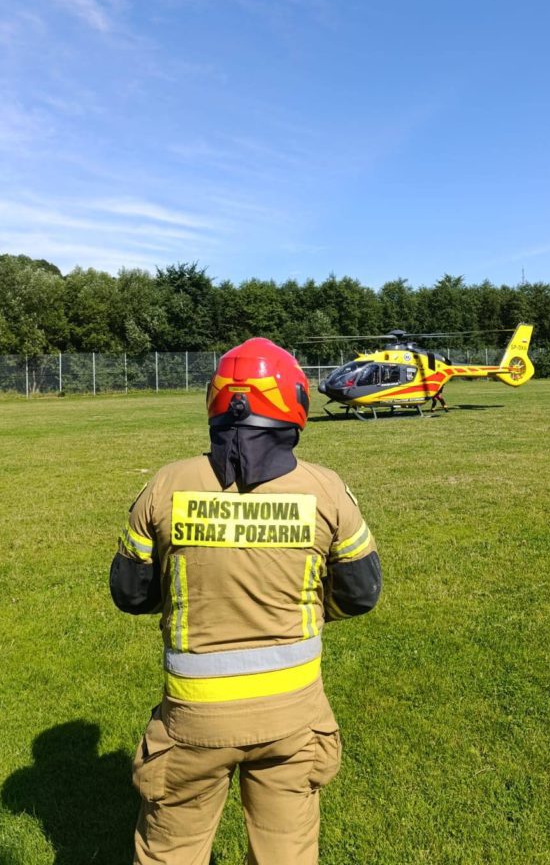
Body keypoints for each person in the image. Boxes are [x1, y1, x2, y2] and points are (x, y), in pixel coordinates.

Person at [110, 338, 382, 865]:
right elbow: (361, 593)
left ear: (216, 402)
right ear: (294, 401)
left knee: (171, 852)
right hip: (294, 717)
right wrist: (306, 608)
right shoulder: (326, 490)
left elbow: (131, 593)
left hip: (193, 720)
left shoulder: (165, 485)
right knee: (286, 852)